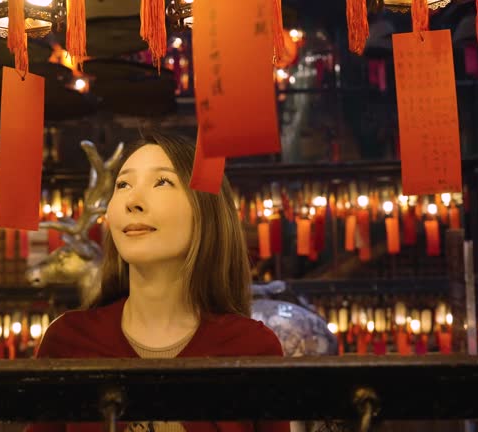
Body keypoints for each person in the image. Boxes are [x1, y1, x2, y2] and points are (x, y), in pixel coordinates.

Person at [30, 133, 289, 432]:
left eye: (162, 182)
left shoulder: (251, 347)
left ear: (206, 210)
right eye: (123, 185)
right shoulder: (68, 341)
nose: (132, 202)